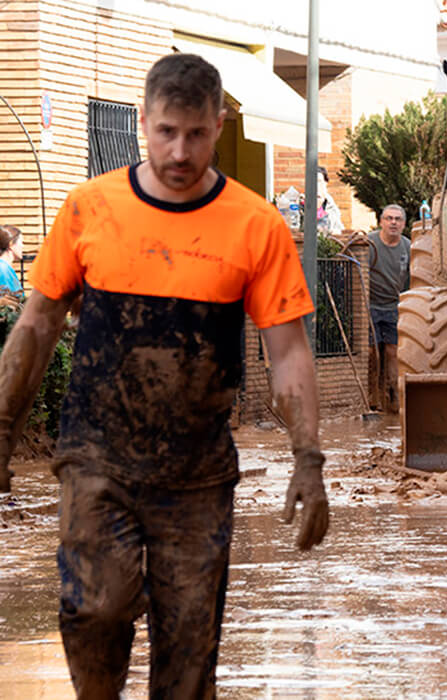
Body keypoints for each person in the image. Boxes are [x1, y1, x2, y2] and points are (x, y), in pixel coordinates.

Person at [0, 53, 329, 697]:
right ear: (145, 122)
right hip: (96, 457)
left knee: (188, 654)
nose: (180, 151)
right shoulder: (91, 209)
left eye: (197, 134)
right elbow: (36, 328)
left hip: (198, 475)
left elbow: (288, 352)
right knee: (95, 611)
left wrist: (309, 458)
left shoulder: (255, 225)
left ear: (219, 122)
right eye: (166, 132)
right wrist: (2, 426)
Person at [368, 204, 411, 413]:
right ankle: (372, 397)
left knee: (393, 352)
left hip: (394, 306)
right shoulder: (370, 244)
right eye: (389, 218)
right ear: (381, 222)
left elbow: (412, 281)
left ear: (403, 224)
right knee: (373, 352)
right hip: (371, 305)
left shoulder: (408, 248)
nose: (393, 222)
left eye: (398, 219)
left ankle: (393, 396)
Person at [315, 165, 344, 235]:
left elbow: (338, 229)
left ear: (325, 183)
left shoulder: (331, 206)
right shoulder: (302, 203)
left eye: (319, 181)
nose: (316, 185)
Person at [0, 224, 24, 296]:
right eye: (21, 242)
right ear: (11, 244)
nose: (23, 246)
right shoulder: (3, 270)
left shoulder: (6, 268)